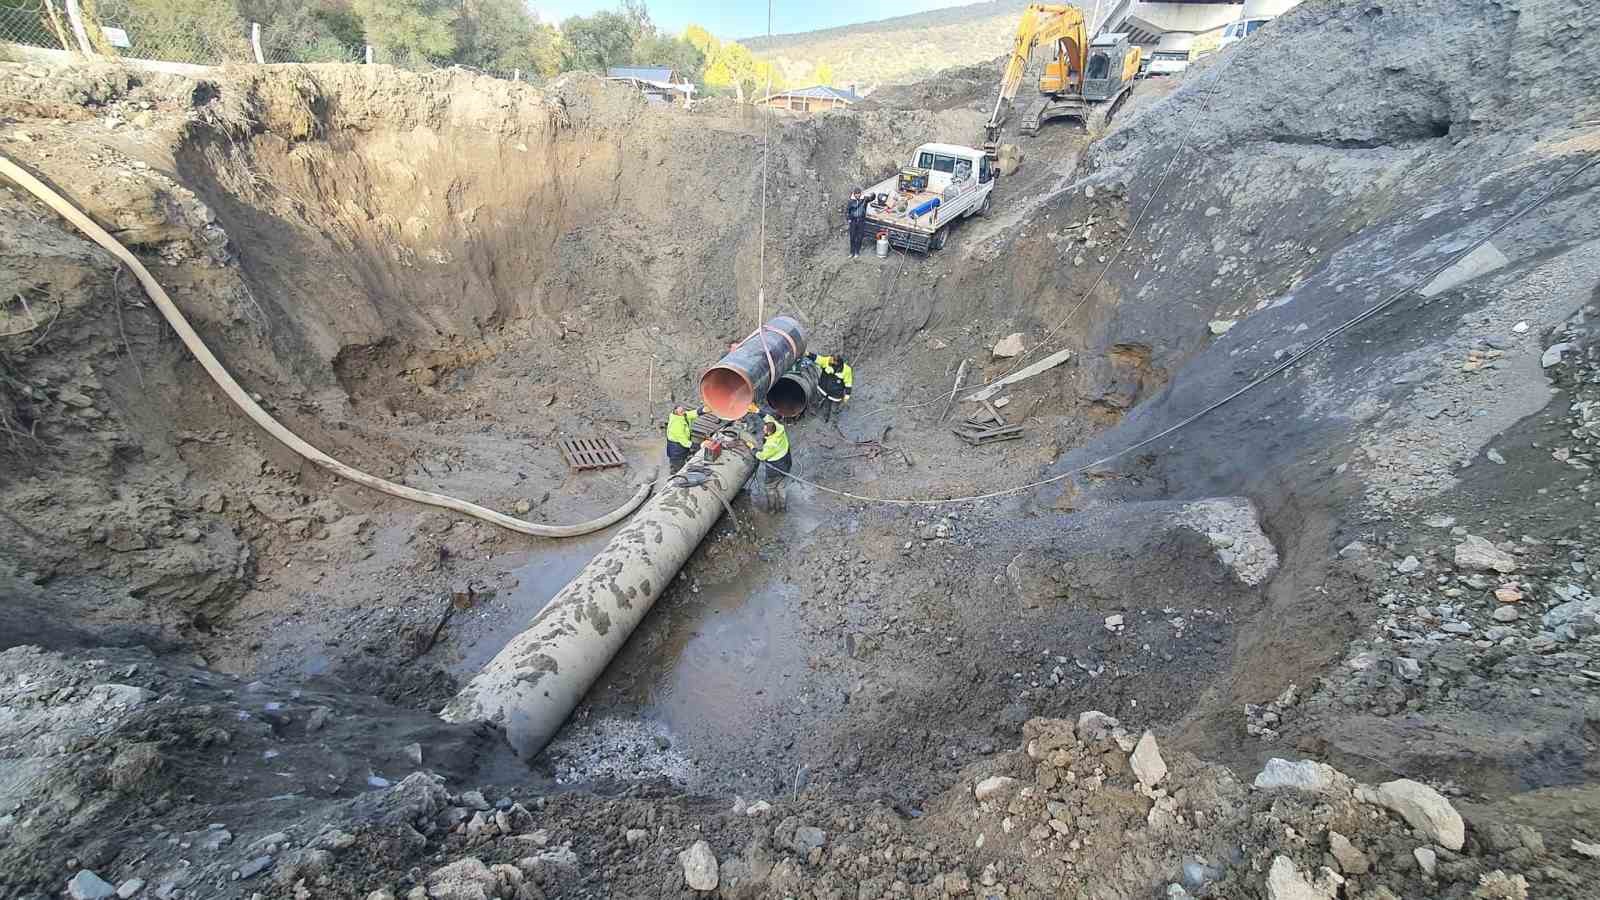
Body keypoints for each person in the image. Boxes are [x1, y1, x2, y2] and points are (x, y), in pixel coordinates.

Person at [755, 416, 792, 511]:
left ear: (769, 432)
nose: (763, 429)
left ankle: (772, 509)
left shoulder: (770, 445)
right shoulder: (780, 429)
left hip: (775, 469)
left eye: (765, 429)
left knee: (770, 487)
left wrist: (753, 449)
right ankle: (783, 508)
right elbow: (769, 418)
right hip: (786, 463)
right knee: (781, 486)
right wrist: (757, 411)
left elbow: (762, 456)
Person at [811, 352, 854, 421]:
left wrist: (847, 395)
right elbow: (818, 359)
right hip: (823, 388)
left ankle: (827, 418)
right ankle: (814, 410)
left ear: (837, 363)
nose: (829, 361)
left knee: (829, 406)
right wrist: (808, 354)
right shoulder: (827, 360)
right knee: (817, 399)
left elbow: (848, 383)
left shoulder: (847, 370)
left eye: (831, 361)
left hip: (835, 394)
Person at [664, 404, 699, 473]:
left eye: (683, 410)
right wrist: (700, 446)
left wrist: (703, 410)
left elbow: (692, 414)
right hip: (676, 451)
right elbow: (685, 442)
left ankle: (674, 468)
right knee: (679, 469)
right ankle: (674, 475)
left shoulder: (682, 416)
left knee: (681, 461)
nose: (684, 412)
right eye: (682, 412)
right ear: (677, 414)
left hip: (681, 448)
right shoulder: (676, 425)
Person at [846, 189, 869, 258]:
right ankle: (851, 252)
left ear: (860, 194)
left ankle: (857, 252)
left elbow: (872, 198)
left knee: (859, 237)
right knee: (852, 237)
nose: (857, 195)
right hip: (853, 221)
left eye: (858, 193)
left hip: (861, 221)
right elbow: (847, 210)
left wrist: (870, 196)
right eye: (856, 194)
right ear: (854, 194)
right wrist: (849, 219)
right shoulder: (851, 201)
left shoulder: (864, 200)